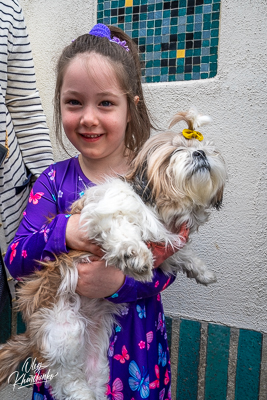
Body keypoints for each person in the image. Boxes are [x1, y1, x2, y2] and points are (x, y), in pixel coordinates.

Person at [5, 23, 188, 400]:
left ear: (130, 106)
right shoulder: (53, 181)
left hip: (135, 346)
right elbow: (16, 259)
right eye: (74, 102)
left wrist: (120, 284)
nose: (88, 118)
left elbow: (168, 262)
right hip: (65, 348)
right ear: (59, 104)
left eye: (105, 103)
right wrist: (66, 231)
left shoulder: (151, 179)